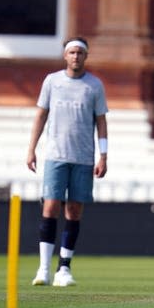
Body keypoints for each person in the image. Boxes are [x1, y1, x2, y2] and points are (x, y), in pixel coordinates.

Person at [27, 36, 108, 287]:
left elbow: (101, 122)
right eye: (71, 52)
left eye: (80, 53)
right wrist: (31, 149)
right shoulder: (52, 81)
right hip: (55, 155)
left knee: (74, 210)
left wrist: (103, 155)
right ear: (65, 56)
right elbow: (41, 115)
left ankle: (64, 268)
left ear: (86, 56)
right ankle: (43, 269)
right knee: (50, 207)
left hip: (83, 157)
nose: (75, 56)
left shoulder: (94, 86)